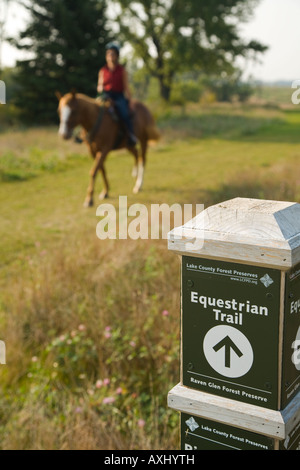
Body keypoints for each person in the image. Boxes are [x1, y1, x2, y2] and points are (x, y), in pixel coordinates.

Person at [97, 42, 137, 147]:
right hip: (106, 95)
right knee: (92, 109)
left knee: (124, 114)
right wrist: (101, 88)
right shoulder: (103, 70)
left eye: (112, 54)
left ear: (117, 56)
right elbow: (100, 85)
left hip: (118, 96)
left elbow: (126, 87)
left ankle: (131, 135)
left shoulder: (122, 70)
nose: (110, 56)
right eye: (108, 54)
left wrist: (130, 101)